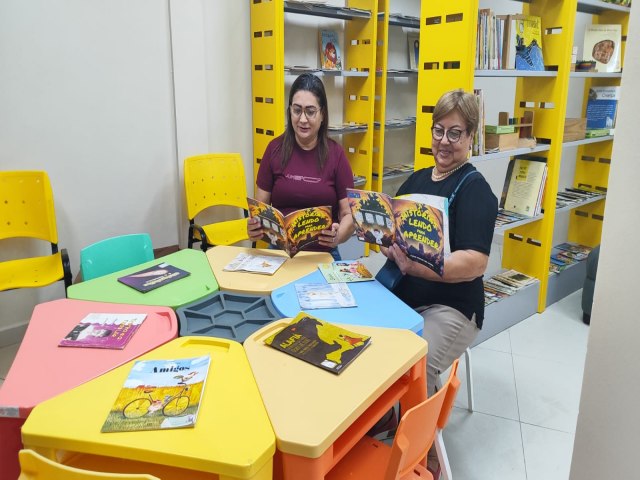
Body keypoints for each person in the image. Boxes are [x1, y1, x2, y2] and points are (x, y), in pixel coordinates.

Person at [383, 89, 498, 397]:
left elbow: (475, 263)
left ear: (470, 136)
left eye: (455, 133)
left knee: (414, 363)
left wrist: (416, 267)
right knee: (368, 345)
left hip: (451, 306)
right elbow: (394, 235)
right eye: (439, 130)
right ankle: (379, 416)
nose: (444, 140)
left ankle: (421, 441)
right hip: (403, 292)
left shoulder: (476, 190)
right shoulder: (416, 179)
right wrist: (381, 238)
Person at [247, 73, 355, 260]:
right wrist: (254, 228)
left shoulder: (336, 155)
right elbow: (261, 210)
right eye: (297, 110)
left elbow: (349, 215)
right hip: (280, 253)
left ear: (322, 114)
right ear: (289, 111)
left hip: (323, 253)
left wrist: (338, 236)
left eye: (310, 111)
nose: (302, 119)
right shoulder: (274, 149)